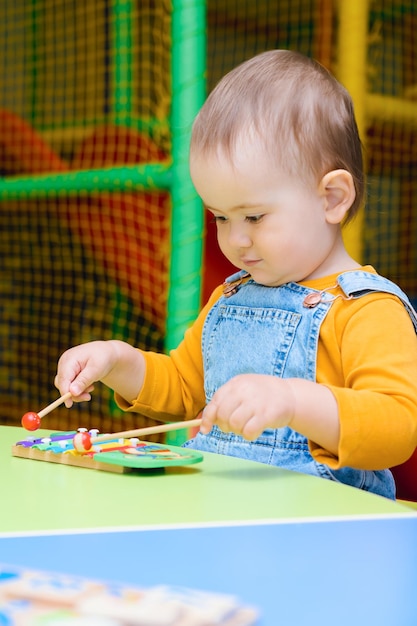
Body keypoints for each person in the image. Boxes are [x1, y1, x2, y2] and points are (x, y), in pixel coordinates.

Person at [55, 49, 417, 499]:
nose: (236, 241)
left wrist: (292, 402)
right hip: (219, 511)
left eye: (255, 217)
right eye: (221, 218)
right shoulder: (230, 297)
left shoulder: (368, 310)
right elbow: (186, 387)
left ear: (332, 198)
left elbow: (397, 426)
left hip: (320, 532)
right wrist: (118, 360)